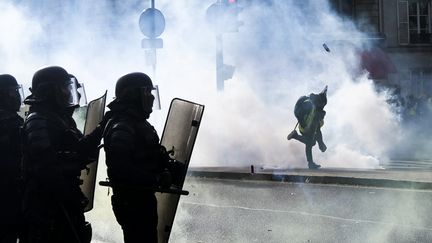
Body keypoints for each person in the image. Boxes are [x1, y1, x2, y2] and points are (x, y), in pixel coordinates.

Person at [21, 66, 102, 243]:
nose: (72, 93)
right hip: (45, 203)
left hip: (63, 198)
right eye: (66, 87)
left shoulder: (61, 120)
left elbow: (82, 151)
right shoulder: (38, 119)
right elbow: (45, 167)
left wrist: (100, 129)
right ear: (50, 91)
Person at [103, 72, 173, 243]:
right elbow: (120, 169)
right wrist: (155, 178)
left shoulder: (136, 122)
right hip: (132, 202)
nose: (151, 98)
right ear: (134, 95)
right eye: (147, 92)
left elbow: (147, 154)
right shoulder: (123, 126)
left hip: (141, 199)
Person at [0, 74, 24, 243]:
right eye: (11, 92)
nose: (17, 96)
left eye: (17, 91)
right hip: (8, 195)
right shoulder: (9, 122)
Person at [287, 86, 328, 169]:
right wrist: (321, 143)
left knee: (311, 141)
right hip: (307, 128)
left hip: (305, 125)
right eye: (322, 105)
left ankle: (310, 163)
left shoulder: (310, 100)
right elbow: (317, 130)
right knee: (311, 142)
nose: (323, 107)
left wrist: (321, 143)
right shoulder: (316, 112)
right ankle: (295, 136)